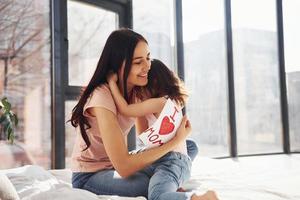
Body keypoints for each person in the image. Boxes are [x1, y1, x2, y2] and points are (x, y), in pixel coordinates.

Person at [70, 28, 218, 200]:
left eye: (148, 57)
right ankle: (172, 181)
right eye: (138, 62)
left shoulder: (137, 92)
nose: (148, 66)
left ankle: (169, 174)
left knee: (189, 146)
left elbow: (144, 136)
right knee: (149, 183)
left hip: (117, 163)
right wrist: (175, 141)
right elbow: (124, 167)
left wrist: (169, 139)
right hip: (91, 175)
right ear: (118, 65)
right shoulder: (101, 97)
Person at [107, 58, 200, 199]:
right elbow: (145, 137)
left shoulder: (160, 103)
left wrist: (112, 84)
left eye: (140, 88)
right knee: (191, 146)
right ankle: (176, 180)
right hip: (169, 156)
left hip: (171, 162)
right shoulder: (170, 101)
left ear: (154, 84)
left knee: (157, 196)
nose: (138, 93)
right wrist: (140, 112)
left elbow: (125, 109)